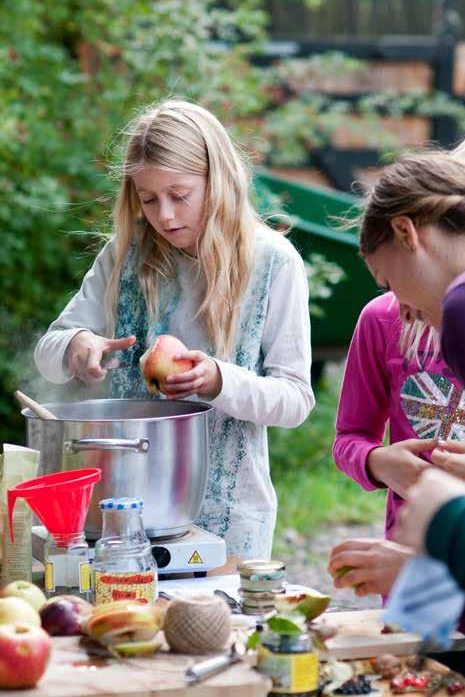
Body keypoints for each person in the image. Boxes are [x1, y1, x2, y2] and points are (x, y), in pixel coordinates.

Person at [34, 99, 315, 560]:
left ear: (218, 181)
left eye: (179, 195)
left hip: (231, 518)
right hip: (120, 515)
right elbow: (48, 354)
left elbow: (295, 400)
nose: (164, 216)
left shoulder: (272, 264)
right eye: (148, 199)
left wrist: (221, 381)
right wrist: (76, 346)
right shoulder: (124, 257)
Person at [355, 139, 465, 592]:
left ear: (407, 232)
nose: (399, 306)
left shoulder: (460, 308)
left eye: (388, 281)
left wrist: (420, 578)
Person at [327, 290, 465, 596]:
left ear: (412, 240)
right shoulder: (382, 317)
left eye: (388, 276)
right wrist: (376, 462)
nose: (398, 295)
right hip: (407, 570)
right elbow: (349, 438)